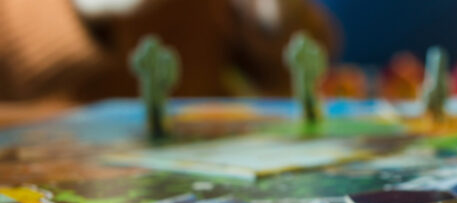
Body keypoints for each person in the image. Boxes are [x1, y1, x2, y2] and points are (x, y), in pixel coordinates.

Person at [0, 0, 335, 125]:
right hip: (55, 161)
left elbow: (302, 61)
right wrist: (81, 11)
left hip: (201, 154)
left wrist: (271, 20)